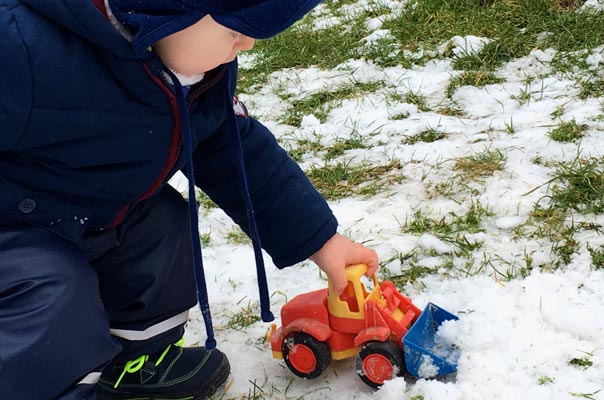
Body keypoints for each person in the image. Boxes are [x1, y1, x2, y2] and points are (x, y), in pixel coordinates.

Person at [0, 0, 379, 399]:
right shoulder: (23, 49)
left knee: (163, 228)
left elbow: (236, 154)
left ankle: (134, 359)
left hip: (95, 209)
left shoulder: (196, 75)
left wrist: (321, 241)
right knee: (51, 299)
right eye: (235, 30)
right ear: (164, 10)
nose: (247, 44)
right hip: (13, 228)